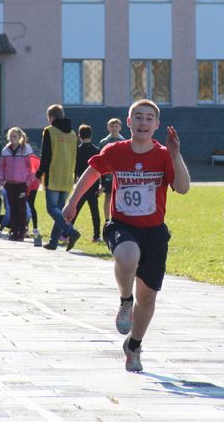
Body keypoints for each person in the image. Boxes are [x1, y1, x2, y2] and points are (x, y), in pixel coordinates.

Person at [63, 99, 191, 372]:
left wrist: (175, 154)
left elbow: (182, 188)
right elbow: (91, 173)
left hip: (154, 232)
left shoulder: (163, 154)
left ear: (156, 125)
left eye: (149, 119)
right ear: (129, 122)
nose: (144, 123)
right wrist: (73, 201)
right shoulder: (115, 150)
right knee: (127, 254)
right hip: (122, 225)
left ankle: (134, 346)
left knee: (148, 299)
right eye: (139, 117)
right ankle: (124, 300)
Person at [37, 104, 80, 251]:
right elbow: (76, 155)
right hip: (67, 175)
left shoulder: (50, 131)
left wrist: (39, 172)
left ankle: (70, 231)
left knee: (51, 208)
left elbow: (46, 154)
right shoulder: (73, 134)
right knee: (60, 211)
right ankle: (53, 241)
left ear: (51, 117)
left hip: (53, 174)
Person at [0, 127, 34, 241]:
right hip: (9, 184)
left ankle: (21, 231)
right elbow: (1, 167)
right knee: (12, 208)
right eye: (11, 136)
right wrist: (1, 179)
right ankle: (14, 231)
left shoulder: (26, 150)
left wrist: (28, 181)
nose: (12, 139)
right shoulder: (5, 151)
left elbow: (32, 167)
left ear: (20, 138)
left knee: (21, 208)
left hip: (22, 184)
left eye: (15, 137)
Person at [98, 118, 125, 226]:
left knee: (120, 197)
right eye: (112, 126)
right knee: (108, 197)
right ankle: (107, 219)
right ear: (108, 127)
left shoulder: (124, 141)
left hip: (120, 175)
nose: (114, 128)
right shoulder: (104, 142)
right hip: (108, 174)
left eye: (116, 126)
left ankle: (120, 218)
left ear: (120, 128)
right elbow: (100, 160)